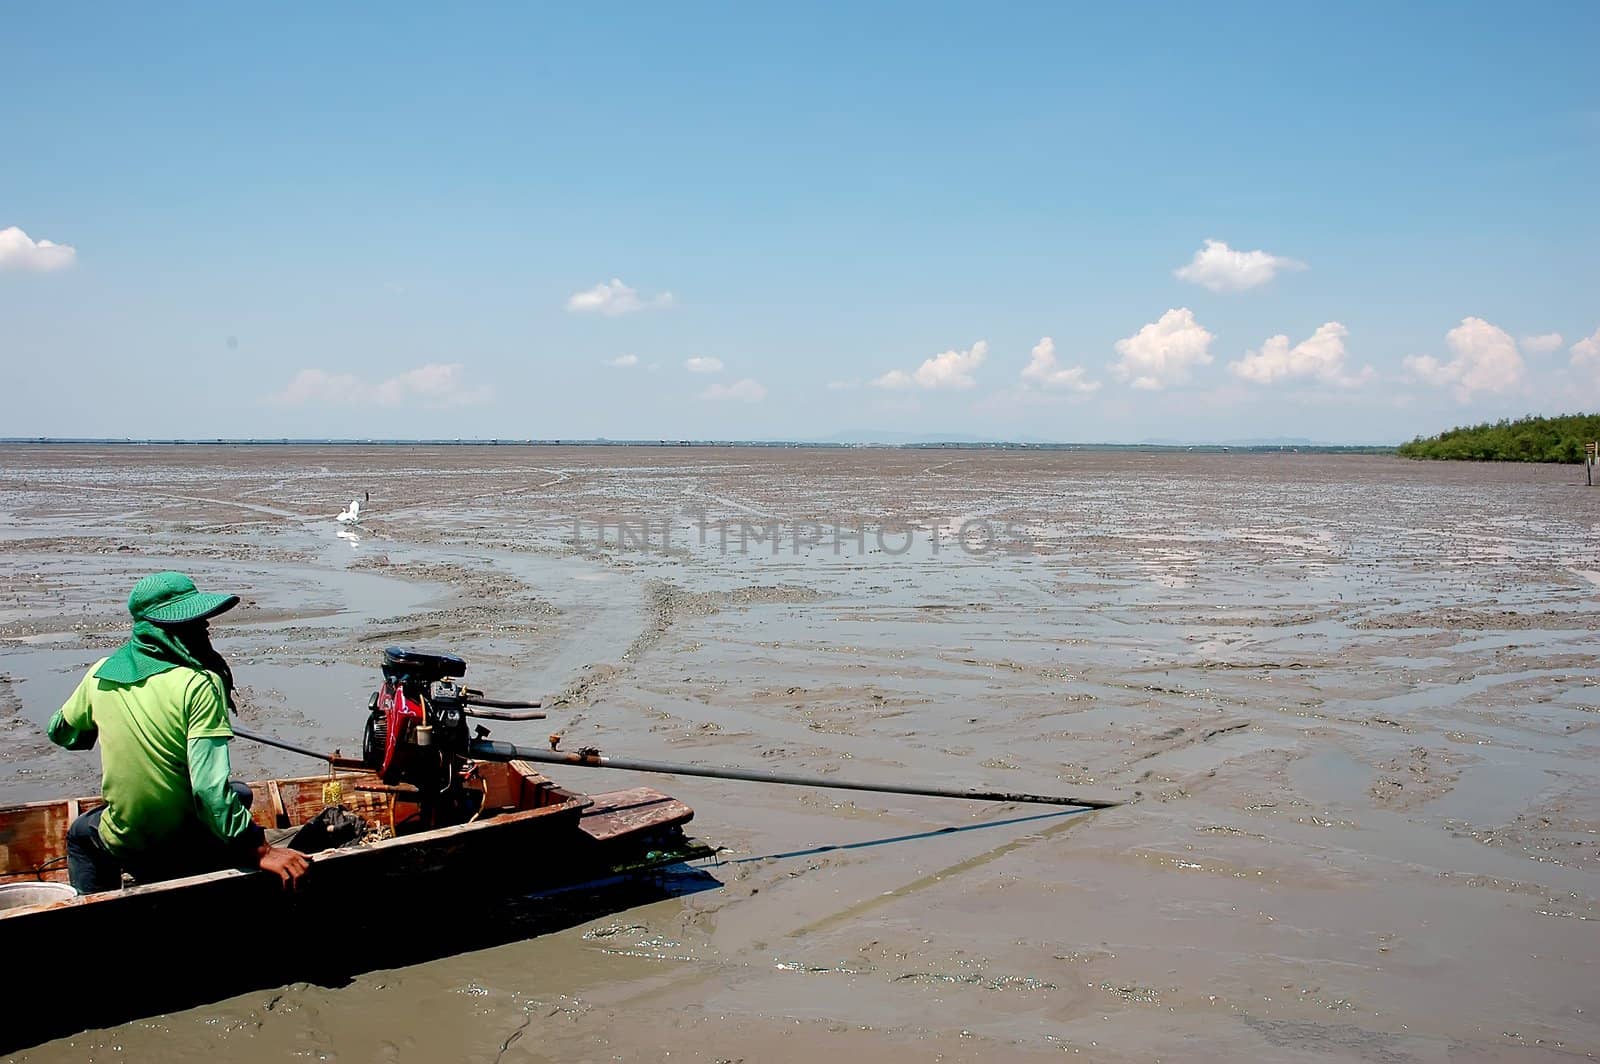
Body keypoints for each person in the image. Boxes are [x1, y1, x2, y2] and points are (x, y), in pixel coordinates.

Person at [47, 571, 309, 893]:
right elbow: (208, 791)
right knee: (232, 798)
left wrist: (97, 723)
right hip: (181, 842)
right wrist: (262, 850)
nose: (205, 628)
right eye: (193, 623)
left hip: (128, 835)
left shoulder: (101, 674)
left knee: (82, 834)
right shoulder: (199, 683)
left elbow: (61, 732)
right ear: (164, 630)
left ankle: (93, 900)